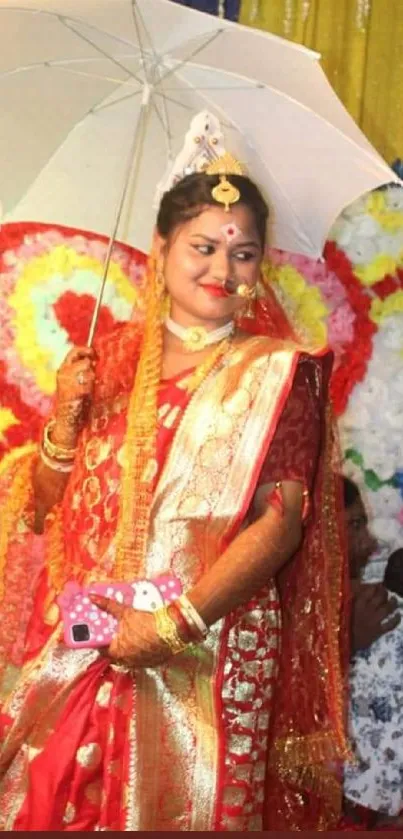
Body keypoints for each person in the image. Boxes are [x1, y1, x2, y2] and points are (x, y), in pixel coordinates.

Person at [0, 149, 349, 831]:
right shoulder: (108, 362)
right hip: (86, 639)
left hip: (203, 649)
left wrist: (173, 624)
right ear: (160, 247)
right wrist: (64, 423)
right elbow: (41, 507)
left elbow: (277, 525)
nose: (222, 269)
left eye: (243, 253)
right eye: (203, 246)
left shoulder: (277, 372)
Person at [342, 479, 403, 828]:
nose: (370, 542)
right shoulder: (280, 608)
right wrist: (348, 641)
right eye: (353, 525)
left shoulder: (377, 604)